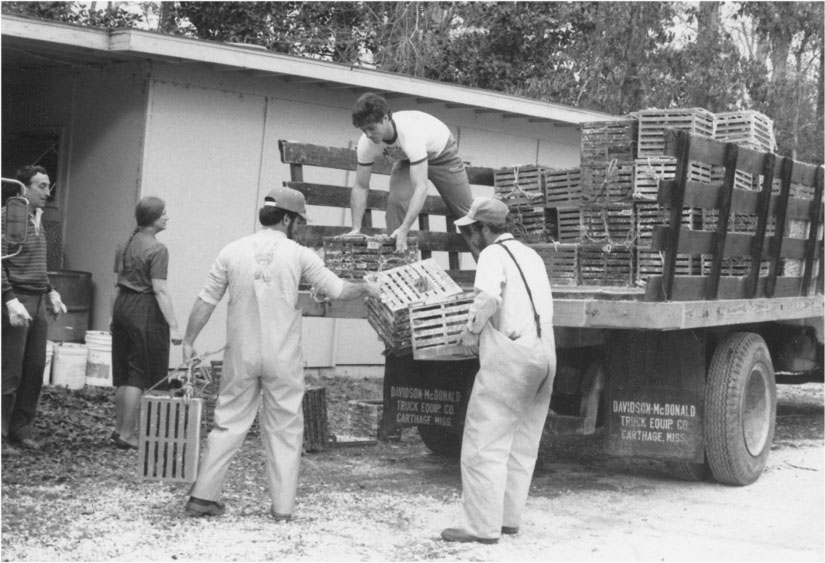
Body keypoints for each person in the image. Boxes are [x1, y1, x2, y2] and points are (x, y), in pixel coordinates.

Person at [181, 187, 380, 520]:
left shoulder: (231, 251)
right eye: (299, 221)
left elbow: (206, 300)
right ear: (287, 218)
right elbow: (340, 290)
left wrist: (189, 340)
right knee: (285, 429)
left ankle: (202, 497)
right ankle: (282, 508)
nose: (300, 228)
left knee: (228, 423)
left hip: (241, 354)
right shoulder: (299, 254)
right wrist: (368, 287)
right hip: (282, 356)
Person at [440, 197, 556, 544]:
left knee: (483, 442)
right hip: (545, 351)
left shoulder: (492, 254)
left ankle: (481, 527)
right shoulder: (531, 254)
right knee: (522, 443)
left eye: (472, 231)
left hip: (512, 354)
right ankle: (508, 520)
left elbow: (488, 298)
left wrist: (470, 331)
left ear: (486, 229)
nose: (470, 238)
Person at [348, 92, 479, 259]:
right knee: (396, 202)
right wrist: (356, 229)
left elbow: (421, 188)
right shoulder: (366, 143)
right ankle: (396, 262)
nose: (367, 134)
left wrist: (405, 228)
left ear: (386, 118)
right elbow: (361, 186)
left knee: (467, 215)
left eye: (371, 128)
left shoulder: (410, 133)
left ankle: (489, 269)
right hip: (408, 159)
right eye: (363, 129)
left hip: (441, 155)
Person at [1, 165, 67, 456]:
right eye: (41, 185)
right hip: (17, 299)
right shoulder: (9, 219)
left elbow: (38, 264)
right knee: (9, 370)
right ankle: (1, 434)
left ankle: (21, 430)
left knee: (34, 368)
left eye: (48, 185)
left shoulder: (37, 220)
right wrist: (9, 298)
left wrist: (51, 290)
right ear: (23, 188)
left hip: (38, 300)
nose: (47, 192)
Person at [109, 197, 182, 449]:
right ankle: (128, 435)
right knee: (137, 375)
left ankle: (118, 429)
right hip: (144, 310)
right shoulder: (157, 249)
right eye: (164, 213)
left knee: (122, 373)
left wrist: (112, 315)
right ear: (153, 219)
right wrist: (173, 325)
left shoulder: (124, 244)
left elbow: (116, 286)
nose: (167, 217)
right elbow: (160, 290)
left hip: (122, 308)